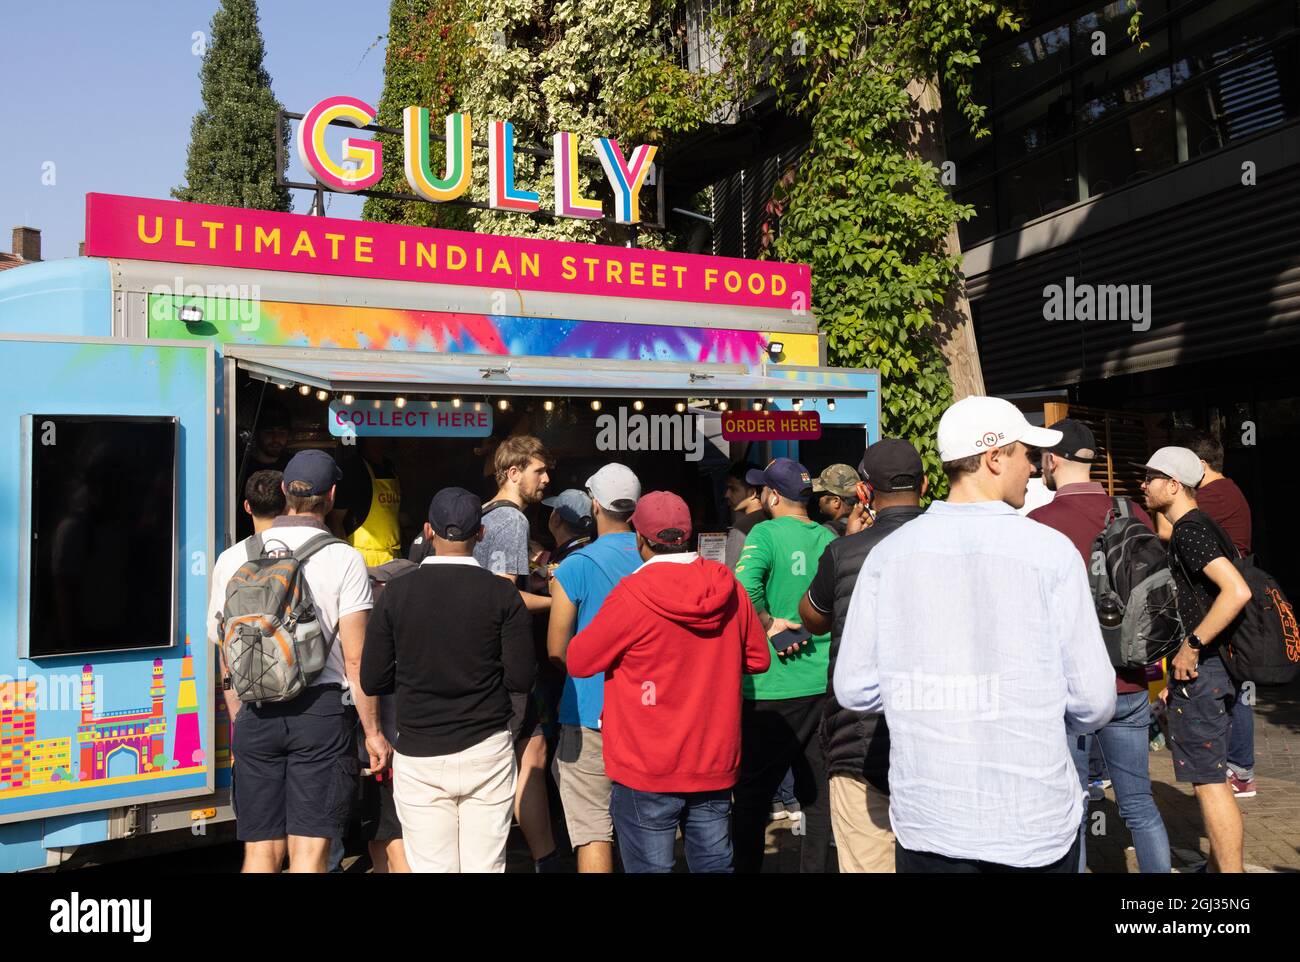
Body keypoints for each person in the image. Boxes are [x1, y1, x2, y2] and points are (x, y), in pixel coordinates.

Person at [835, 396, 1116, 872]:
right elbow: (1094, 701)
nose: (1032, 467)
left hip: (930, 822)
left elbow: (854, 688)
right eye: (1026, 453)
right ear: (993, 456)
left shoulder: (890, 556)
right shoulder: (1051, 552)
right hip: (1033, 823)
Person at [567, 492, 771, 872]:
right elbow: (758, 659)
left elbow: (579, 660)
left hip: (646, 766)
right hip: (712, 761)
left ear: (639, 540)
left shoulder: (630, 594)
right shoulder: (727, 586)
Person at [222, 450, 390, 873]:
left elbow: (226, 660)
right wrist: (373, 733)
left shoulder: (233, 558)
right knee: (309, 852)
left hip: (255, 714)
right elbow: (356, 659)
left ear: (284, 492)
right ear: (331, 496)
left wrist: (239, 723)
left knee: (260, 852)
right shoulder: (344, 559)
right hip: (319, 714)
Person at [361, 487, 535, 872]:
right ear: (482, 534)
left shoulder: (395, 595)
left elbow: (373, 678)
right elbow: (521, 677)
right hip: (486, 747)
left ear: (427, 531)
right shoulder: (502, 596)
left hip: (419, 751)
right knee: (486, 865)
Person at [1027, 419, 1171, 874]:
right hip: (1128, 681)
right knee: (1139, 804)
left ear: (1052, 460)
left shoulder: (1038, 524)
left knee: (1072, 808)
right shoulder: (1134, 514)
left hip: (1067, 688)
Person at [798, 439, 927, 872]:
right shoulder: (950, 546)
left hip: (859, 739)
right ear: (925, 484)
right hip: (934, 736)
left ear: (865, 494)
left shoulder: (842, 552)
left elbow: (812, 618)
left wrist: (848, 546)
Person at [1142, 446, 1252, 873]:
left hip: (1204, 672)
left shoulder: (1189, 529)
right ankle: (1214, 866)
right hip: (1214, 671)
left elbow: (1236, 591)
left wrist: (1191, 646)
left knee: (1209, 784)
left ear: (1173, 484)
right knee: (1215, 777)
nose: (1143, 484)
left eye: (1151, 477)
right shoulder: (1199, 524)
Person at [733, 457, 837, 873]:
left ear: (772, 496)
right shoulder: (828, 537)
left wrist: (768, 622)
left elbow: (741, 587)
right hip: (821, 683)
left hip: (771, 689)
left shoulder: (765, 531)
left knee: (753, 795)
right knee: (817, 796)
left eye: (761, 490)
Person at [546, 466, 643, 873]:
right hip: (644, 709)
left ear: (595, 504)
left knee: (592, 830)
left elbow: (556, 649)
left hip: (588, 713)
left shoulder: (576, 565)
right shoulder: (652, 556)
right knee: (642, 828)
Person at [474, 434, 560, 871]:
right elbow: (505, 596)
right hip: (507, 665)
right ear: (513, 473)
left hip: (490, 661)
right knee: (516, 759)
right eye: (538, 471)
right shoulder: (511, 520)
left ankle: (545, 857)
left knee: (534, 752)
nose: (546, 479)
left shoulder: (485, 515)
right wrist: (561, 604)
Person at [1185, 430, 1257, 798]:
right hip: (1230, 601)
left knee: (1233, 688)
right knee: (1236, 687)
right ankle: (1240, 768)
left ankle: (1240, 769)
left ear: (1200, 465)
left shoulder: (1212, 495)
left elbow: (1176, 527)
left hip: (1224, 602)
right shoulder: (1228, 490)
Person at [206, 470, 285, 727]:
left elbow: (221, 640)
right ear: (286, 504)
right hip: (305, 694)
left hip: (253, 698)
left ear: (247, 507)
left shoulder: (229, 560)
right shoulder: (312, 553)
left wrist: (236, 716)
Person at [330, 437, 402, 566]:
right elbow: (336, 520)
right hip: (362, 559)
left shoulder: (390, 467)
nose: (387, 438)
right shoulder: (352, 469)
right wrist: (343, 561)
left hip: (393, 556)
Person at [235, 401, 291, 541]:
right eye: (269, 432)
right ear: (257, 433)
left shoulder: (294, 466)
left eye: (282, 432)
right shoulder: (239, 468)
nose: (276, 438)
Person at [723, 460, 765, 569]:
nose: (727, 494)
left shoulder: (741, 529)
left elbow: (731, 573)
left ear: (752, 493)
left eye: (733, 489)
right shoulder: (774, 521)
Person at [811, 464, 860, 537]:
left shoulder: (826, 533)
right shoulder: (867, 524)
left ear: (836, 501)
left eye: (819, 495)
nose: (817, 500)